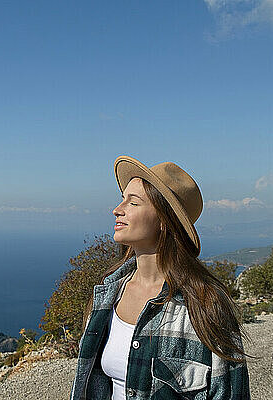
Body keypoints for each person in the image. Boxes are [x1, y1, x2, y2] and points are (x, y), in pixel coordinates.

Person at [69, 155, 253, 400]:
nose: (117, 210)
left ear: (164, 222)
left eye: (133, 203)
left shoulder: (205, 305)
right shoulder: (107, 294)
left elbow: (231, 393)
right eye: (122, 200)